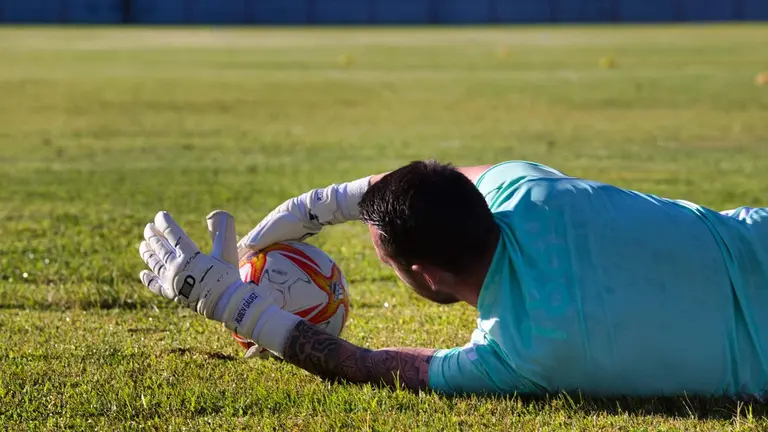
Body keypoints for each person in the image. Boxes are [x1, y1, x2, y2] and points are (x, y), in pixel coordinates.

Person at [138, 160, 768, 398]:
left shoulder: (521, 352)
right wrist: (323, 204)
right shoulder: (526, 188)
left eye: (386, 259)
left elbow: (368, 364)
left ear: (427, 276)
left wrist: (231, 303)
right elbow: (445, 176)